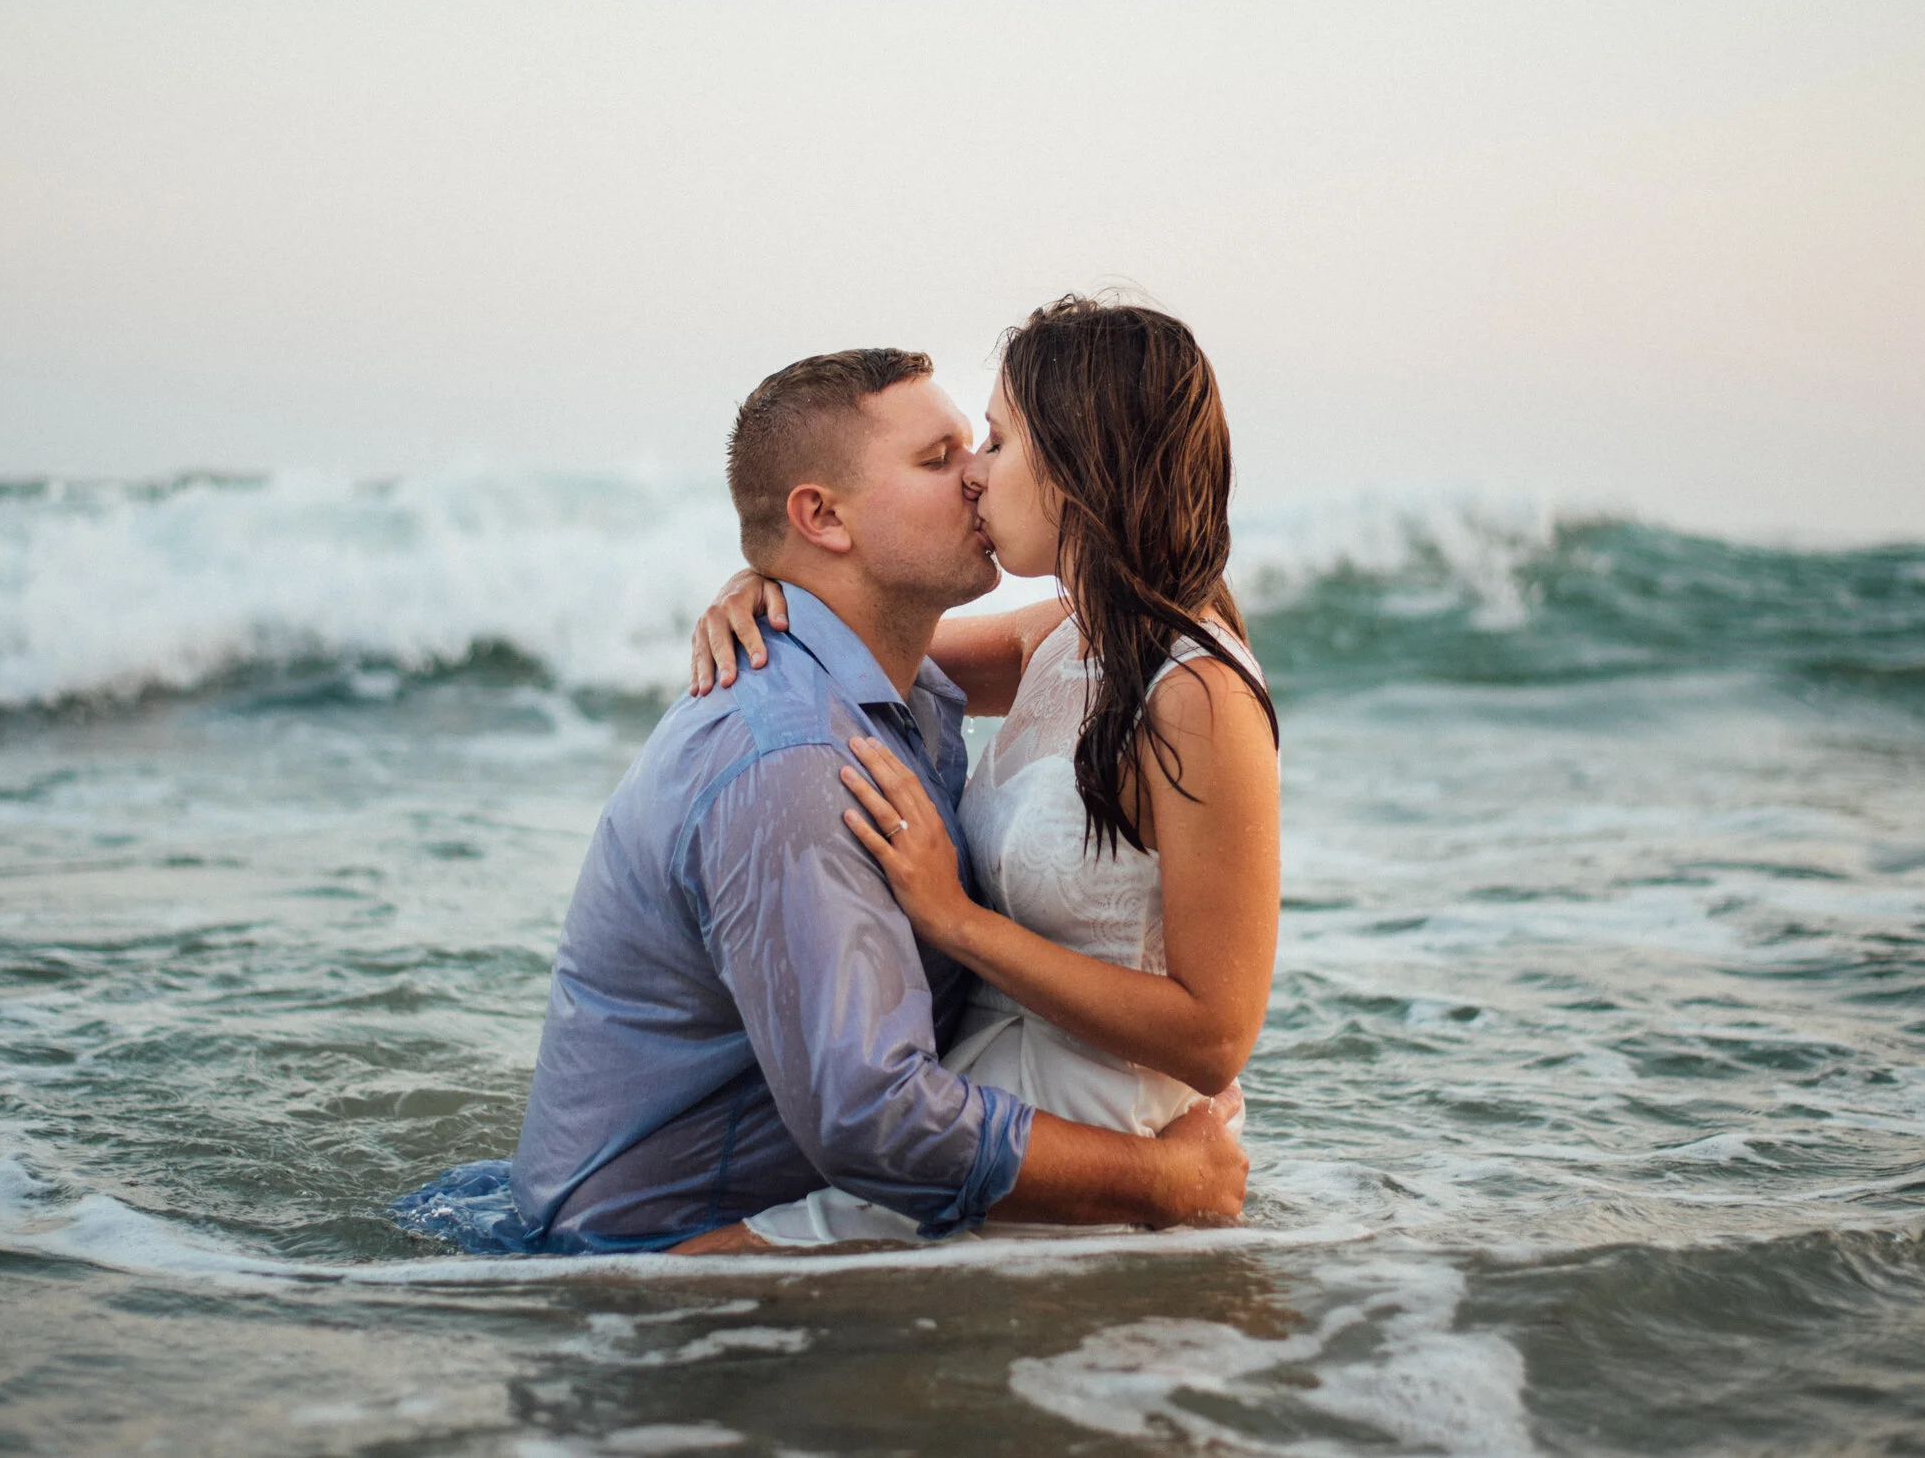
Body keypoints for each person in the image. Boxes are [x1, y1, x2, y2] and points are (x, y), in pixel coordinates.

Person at [388, 346, 1247, 1255]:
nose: (978, 478)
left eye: (982, 444)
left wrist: (773, 581)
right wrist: (1163, 1181)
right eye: (938, 457)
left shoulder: (908, 686)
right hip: (661, 1270)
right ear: (822, 516)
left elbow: (1151, 641)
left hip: (790, 1210)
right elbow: (875, 1119)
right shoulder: (794, 758)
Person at [685, 296, 1282, 1248]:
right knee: (671, 1271)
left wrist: (954, 922)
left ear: (1078, 466)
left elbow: (1215, 1037)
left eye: (998, 443)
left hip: (1099, 1125)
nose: (976, 476)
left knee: (673, 1277)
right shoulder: (1072, 633)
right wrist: (766, 579)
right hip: (989, 1088)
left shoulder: (1195, 694)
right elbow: (874, 632)